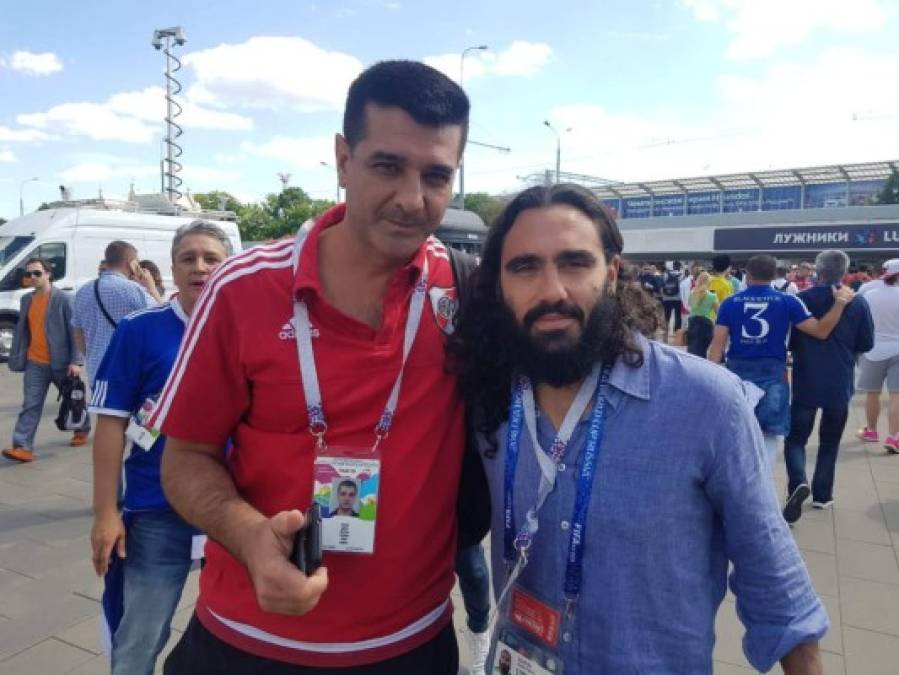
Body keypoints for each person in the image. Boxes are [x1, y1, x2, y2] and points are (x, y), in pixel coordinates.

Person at [151, 61, 474, 673]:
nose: (412, 199)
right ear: (343, 158)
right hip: (250, 642)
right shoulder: (241, 290)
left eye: (436, 175)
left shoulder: (466, 292)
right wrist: (249, 537)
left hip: (412, 646)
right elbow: (184, 457)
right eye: (387, 166)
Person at [448, 184, 827, 674]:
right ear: (498, 284)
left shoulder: (705, 403)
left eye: (575, 263)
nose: (552, 291)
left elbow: (778, 590)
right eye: (525, 267)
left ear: (612, 274)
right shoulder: (493, 398)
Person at [87, 222, 232, 674]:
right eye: (188, 258)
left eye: (211, 258)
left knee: (237, 637)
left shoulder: (247, 328)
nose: (200, 267)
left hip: (234, 511)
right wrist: (106, 514)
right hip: (157, 510)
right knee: (140, 639)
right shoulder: (140, 330)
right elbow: (111, 424)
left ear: (229, 267)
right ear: (171, 269)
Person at [709, 254, 854, 465]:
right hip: (773, 371)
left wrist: (713, 377)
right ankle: (764, 481)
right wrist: (839, 303)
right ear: (774, 275)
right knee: (769, 431)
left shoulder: (730, 304)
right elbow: (821, 331)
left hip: (737, 371)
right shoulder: (788, 301)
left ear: (747, 276)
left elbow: (717, 345)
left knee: (736, 428)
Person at [782, 251, 874, 524]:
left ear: (817, 271)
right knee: (830, 441)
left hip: (806, 377)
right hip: (840, 379)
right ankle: (823, 495)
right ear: (844, 271)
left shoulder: (802, 299)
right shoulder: (858, 303)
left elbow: (790, 341)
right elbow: (866, 343)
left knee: (796, 438)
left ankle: (798, 482)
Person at [3, 258, 90, 463]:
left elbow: (75, 331)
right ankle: (22, 446)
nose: (32, 277)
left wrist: (76, 362)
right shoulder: (26, 300)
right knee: (30, 405)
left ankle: (82, 428)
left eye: (37, 273)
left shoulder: (64, 299)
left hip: (61, 363)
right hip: (35, 363)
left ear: (48, 274)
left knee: (73, 399)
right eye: (29, 274)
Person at [73, 240, 160, 385]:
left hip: (96, 371)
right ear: (132, 263)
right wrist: (151, 288)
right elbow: (163, 318)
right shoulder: (134, 289)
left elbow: (78, 334)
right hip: (127, 372)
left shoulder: (82, 292)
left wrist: (92, 355)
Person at [855, 258, 899, 453]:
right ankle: (893, 437)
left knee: (873, 393)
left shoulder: (869, 294)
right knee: (896, 395)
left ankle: (871, 430)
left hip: (873, 349)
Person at [686, 271, 718, 358]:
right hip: (706, 323)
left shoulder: (693, 293)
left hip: (693, 323)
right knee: (703, 350)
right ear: (709, 282)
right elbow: (717, 311)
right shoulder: (712, 296)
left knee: (692, 350)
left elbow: (689, 307)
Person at [660, 261, 683, 340]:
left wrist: (663, 296)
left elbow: (662, 286)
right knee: (678, 317)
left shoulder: (665, 274)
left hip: (667, 298)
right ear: (679, 266)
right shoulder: (681, 274)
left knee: (666, 317)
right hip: (678, 298)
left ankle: (665, 335)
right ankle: (677, 336)